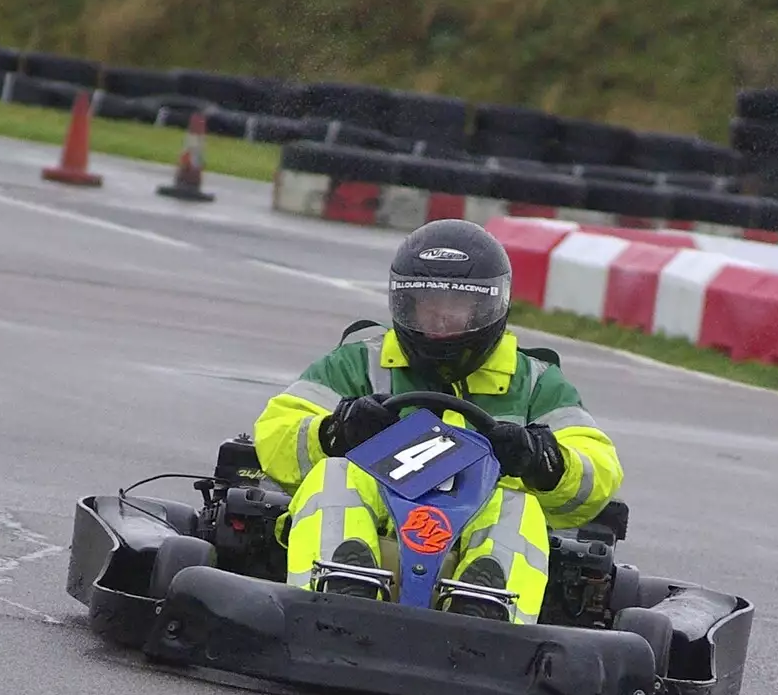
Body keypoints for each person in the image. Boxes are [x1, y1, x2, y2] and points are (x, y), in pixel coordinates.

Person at [252, 218, 623, 623]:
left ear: (489, 307)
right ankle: (338, 591)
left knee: (518, 508)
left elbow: (598, 469)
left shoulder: (535, 384)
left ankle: (484, 611)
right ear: (405, 304)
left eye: (457, 307)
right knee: (336, 475)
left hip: (471, 542)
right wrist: (335, 431)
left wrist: (544, 460)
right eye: (430, 306)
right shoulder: (360, 363)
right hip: (379, 534)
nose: (442, 321)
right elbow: (275, 434)